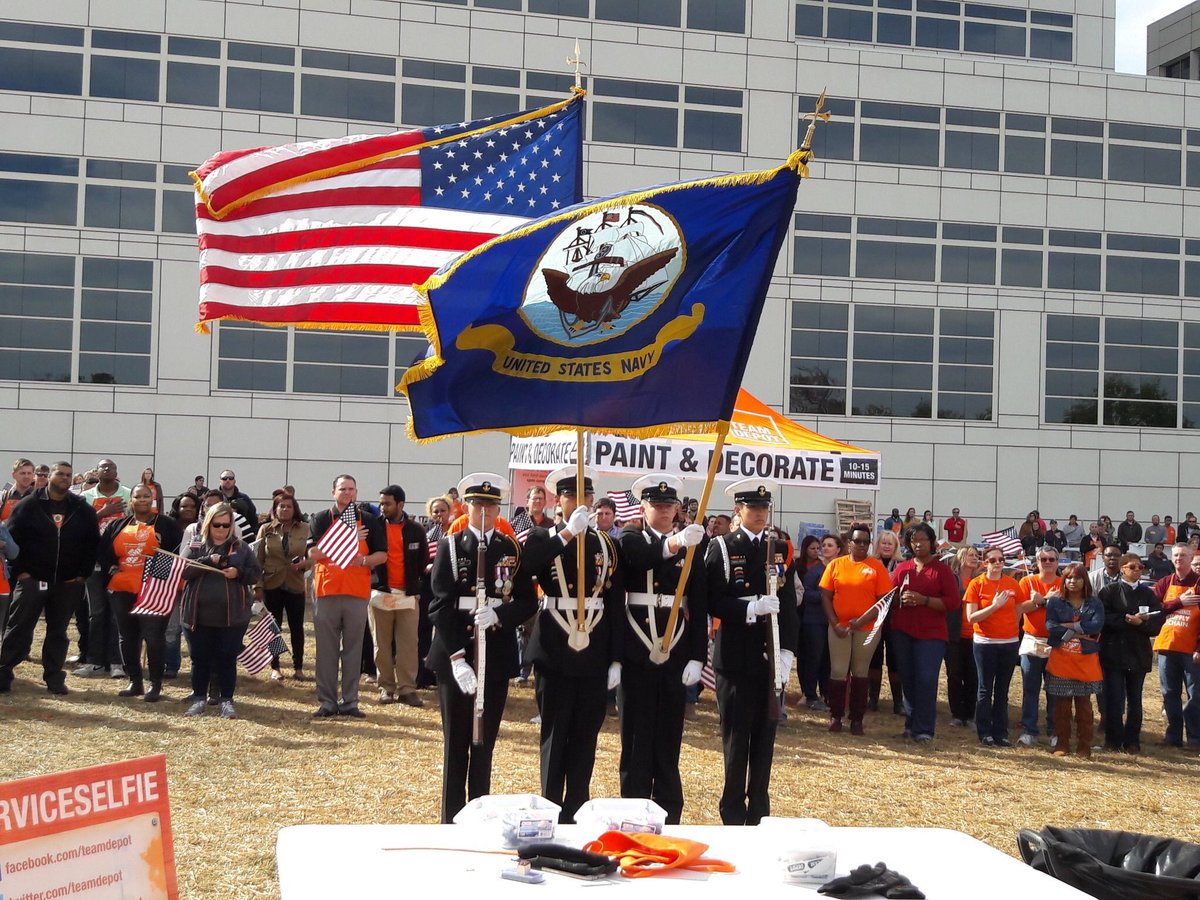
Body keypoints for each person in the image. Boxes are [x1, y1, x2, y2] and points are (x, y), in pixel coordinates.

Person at [428, 474, 535, 823]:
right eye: (478, 504)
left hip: (497, 651)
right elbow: (440, 606)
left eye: (491, 505)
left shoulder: (509, 548)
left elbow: (525, 602)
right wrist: (458, 657)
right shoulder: (451, 545)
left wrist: (500, 614)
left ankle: (479, 814)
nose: (484, 510)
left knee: (484, 742)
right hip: (456, 652)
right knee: (455, 743)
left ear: (498, 508)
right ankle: (451, 819)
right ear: (467, 507)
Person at [522, 466, 623, 824]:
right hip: (554, 645)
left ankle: (578, 808)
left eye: (587, 497)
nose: (581, 503)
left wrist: (616, 658)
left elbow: (613, 601)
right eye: (572, 497)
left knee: (585, 735)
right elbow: (529, 565)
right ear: (559, 501)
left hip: (594, 647)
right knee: (555, 731)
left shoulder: (604, 543)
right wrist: (566, 534)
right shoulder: (541, 536)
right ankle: (549, 808)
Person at [704, 480, 797, 825]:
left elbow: (788, 605)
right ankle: (731, 810)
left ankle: (759, 810)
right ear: (738, 511)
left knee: (764, 740)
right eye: (752, 508)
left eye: (764, 508)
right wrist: (750, 608)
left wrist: (787, 652)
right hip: (737, 658)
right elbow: (712, 600)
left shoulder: (781, 548)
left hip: (769, 659)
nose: (760, 513)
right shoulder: (724, 547)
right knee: (736, 737)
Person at [615, 475, 707, 825]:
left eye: (670, 506)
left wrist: (698, 655)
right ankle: (634, 812)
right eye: (657, 505)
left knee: (669, 738)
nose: (665, 510)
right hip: (637, 649)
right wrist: (675, 544)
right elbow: (640, 558)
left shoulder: (692, 545)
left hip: (676, 651)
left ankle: (669, 814)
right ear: (644, 508)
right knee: (636, 738)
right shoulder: (631, 536)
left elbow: (698, 604)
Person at [0, 462, 98, 695]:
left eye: (68, 475)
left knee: (58, 631)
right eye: (60, 474)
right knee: (19, 627)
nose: (64, 478)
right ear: (48, 476)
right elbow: (12, 540)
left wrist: (82, 574)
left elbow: (92, 544)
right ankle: (3, 673)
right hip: (33, 579)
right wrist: (21, 571)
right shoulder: (29, 505)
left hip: (68, 582)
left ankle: (54, 678)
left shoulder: (81, 509)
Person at [307, 475, 387, 719]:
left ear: (357, 492)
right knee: (327, 650)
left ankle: (350, 701)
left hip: (357, 590)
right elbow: (313, 552)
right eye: (342, 489)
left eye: (351, 489)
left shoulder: (370, 521)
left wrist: (363, 559)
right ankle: (328, 702)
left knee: (353, 649)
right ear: (333, 492)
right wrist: (350, 538)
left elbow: (382, 555)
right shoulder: (320, 518)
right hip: (327, 589)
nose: (347, 493)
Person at [97, 483, 183, 702]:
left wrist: (159, 577)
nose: (143, 500)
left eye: (147, 496)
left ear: (152, 500)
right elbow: (104, 551)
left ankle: (155, 684)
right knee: (127, 636)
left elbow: (177, 553)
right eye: (138, 496)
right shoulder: (118, 524)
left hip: (154, 589)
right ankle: (135, 681)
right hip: (122, 588)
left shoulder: (167, 525)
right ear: (131, 500)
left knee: (154, 637)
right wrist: (110, 567)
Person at [179, 503, 261, 718]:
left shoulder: (241, 547)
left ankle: (226, 699)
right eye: (217, 524)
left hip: (232, 616)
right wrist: (208, 560)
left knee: (226, 658)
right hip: (197, 615)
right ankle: (198, 698)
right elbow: (183, 570)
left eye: (226, 525)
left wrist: (238, 572)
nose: (222, 529)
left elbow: (255, 574)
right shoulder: (196, 544)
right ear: (208, 523)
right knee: (199, 658)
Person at [819, 522, 893, 735]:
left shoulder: (876, 567)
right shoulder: (836, 565)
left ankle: (857, 719)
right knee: (838, 671)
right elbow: (825, 595)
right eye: (857, 541)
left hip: (866, 627)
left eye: (865, 542)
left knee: (861, 672)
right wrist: (835, 623)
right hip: (839, 627)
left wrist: (861, 621)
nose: (861, 545)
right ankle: (835, 716)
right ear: (848, 543)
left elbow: (884, 600)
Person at [889, 523, 959, 744]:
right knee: (908, 679)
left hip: (931, 635)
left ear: (931, 542)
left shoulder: (942, 570)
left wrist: (925, 600)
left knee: (926, 680)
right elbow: (889, 596)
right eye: (913, 540)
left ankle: (925, 729)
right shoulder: (902, 568)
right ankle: (910, 724)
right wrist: (899, 599)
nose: (918, 544)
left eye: (923, 539)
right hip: (903, 631)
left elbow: (953, 602)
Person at [1098, 553, 1162, 754]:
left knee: (1135, 699)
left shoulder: (1148, 594)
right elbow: (1103, 618)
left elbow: (1157, 622)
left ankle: (1132, 741)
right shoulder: (1109, 591)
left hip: (1138, 653)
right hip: (1113, 651)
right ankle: (1113, 740)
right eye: (1133, 567)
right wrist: (1126, 620)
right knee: (1114, 698)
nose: (1137, 570)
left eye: (1140, 567)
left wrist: (1141, 623)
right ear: (1122, 568)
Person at [370, 485, 428, 707]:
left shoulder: (416, 529)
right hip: (380, 593)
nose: (382, 507)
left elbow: (423, 559)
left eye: (387, 503)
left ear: (400, 504)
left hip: (407, 595)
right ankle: (386, 687)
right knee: (381, 643)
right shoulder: (374, 527)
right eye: (381, 503)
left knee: (408, 644)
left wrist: (414, 585)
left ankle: (407, 689)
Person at [75, 459, 133, 679]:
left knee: (118, 614)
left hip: (121, 564)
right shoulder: (85, 498)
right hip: (95, 563)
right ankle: (95, 662)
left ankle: (118, 662)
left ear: (117, 472)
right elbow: (80, 527)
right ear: (97, 472)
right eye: (103, 467)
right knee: (96, 613)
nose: (107, 469)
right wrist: (103, 512)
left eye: (112, 467)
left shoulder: (129, 494)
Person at [1045, 563, 1104, 759]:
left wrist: (1069, 627)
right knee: (1061, 707)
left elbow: (1096, 626)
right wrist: (1080, 631)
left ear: (1084, 580)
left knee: (1084, 708)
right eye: (1069, 578)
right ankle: (1062, 743)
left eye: (1077, 578)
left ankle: (1084, 746)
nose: (1072, 581)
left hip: (1086, 661)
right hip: (1061, 659)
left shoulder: (1094, 603)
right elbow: (1051, 626)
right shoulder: (1055, 602)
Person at [964, 547, 1021, 746]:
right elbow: (971, 617)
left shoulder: (1012, 584)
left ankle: (1001, 732)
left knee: (1002, 690)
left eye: (1001, 560)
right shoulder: (976, 584)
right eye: (993, 560)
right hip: (985, 643)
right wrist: (994, 606)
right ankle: (984, 732)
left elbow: (1020, 607)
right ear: (985, 563)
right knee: (985, 688)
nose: (997, 563)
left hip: (1009, 643)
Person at [254, 492, 310, 682]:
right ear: (275, 509)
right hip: (272, 583)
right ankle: (275, 666)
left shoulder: (306, 529)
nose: (285, 509)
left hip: (295, 582)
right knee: (273, 627)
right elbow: (258, 560)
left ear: (295, 509)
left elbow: (313, 557)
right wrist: (257, 586)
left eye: (289, 506)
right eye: (281, 506)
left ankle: (298, 667)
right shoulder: (266, 529)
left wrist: (305, 564)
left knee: (297, 627)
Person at [1151, 543, 1200, 748]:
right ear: (1172, 559)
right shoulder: (1164, 582)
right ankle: (1173, 736)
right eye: (1176, 555)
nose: (1179, 559)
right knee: (1169, 692)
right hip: (1166, 646)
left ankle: (1195, 737)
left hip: (1191, 650)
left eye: (1184, 555)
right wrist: (1179, 602)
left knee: (1195, 693)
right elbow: (1154, 610)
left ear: (1191, 558)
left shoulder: (1198, 583)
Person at [1015, 547, 1062, 748]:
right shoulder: (1027, 581)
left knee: (1055, 690)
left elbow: (1066, 610)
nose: (1047, 562)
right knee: (1030, 689)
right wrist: (1039, 603)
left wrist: (1043, 601)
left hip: (1056, 643)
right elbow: (1019, 608)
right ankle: (1029, 730)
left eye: (1051, 559)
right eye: (1043, 559)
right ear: (1037, 561)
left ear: (1058, 562)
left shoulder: (1063, 584)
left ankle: (1055, 731)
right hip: (1032, 640)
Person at [795, 534, 835, 712]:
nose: (824, 549)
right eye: (823, 545)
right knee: (813, 658)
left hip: (832, 622)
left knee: (827, 660)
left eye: (829, 546)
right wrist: (825, 596)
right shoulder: (815, 571)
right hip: (814, 621)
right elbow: (805, 594)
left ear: (838, 549)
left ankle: (826, 693)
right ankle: (810, 694)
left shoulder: (840, 568)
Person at [869, 529, 903, 714]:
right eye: (884, 542)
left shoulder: (902, 565)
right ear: (878, 544)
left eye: (890, 543)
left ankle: (898, 701)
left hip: (894, 616)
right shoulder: (871, 564)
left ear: (896, 546)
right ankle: (872, 698)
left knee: (894, 658)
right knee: (874, 657)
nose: (887, 546)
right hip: (874, 616)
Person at [945, 546, 980, 728]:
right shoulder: (952, 579)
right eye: (970, 555)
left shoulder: (981, 579)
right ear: (961, 557)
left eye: (976, 555)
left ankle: (970, 714)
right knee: (955, 674)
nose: (974, 558)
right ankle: (957, 714)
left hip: (976, 635)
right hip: (954, 634)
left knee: (973, 676)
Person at [216, 469, 258, 541]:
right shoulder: (215, 498)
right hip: (219, 535)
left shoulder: (244, 498)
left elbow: (253, 518)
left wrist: (254, 534)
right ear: (220, 481)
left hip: (243, 537)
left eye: (231, 478)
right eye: (224, 478)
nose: (228, 480)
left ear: (234, 481)